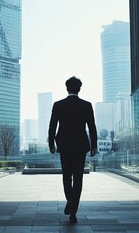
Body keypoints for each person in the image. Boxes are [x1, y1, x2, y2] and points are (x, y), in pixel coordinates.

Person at [48, 76, 97, 224]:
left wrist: (51, 144)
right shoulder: (86, 105)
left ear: (66, 88)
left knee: (66, 176)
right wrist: (94, 145)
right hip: (81, 146)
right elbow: (92, 127)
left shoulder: (58, 105)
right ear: (79, 88)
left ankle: (70, 200)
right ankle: (73, 210)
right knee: (78, 178)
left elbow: (52, 126)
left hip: (64, 146)